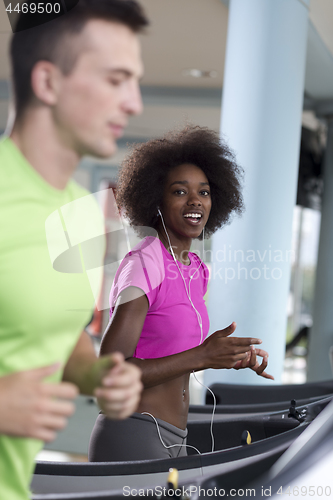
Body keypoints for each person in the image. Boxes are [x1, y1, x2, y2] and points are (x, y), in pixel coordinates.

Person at [0, 1, 149, 498]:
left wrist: (98, 373)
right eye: (116, 79)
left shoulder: (76, 211)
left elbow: (53, 333)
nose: (134, 103)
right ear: (47, 83)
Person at [89, 125, 274, 462]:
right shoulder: (145, 263)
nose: (195, 201)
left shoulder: (194, 269)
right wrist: (202, 355)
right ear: (155, 199)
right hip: (133, 434)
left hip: (175, 438)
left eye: (204, 192)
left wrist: (225, 356)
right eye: (179, 191)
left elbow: (174, 351)